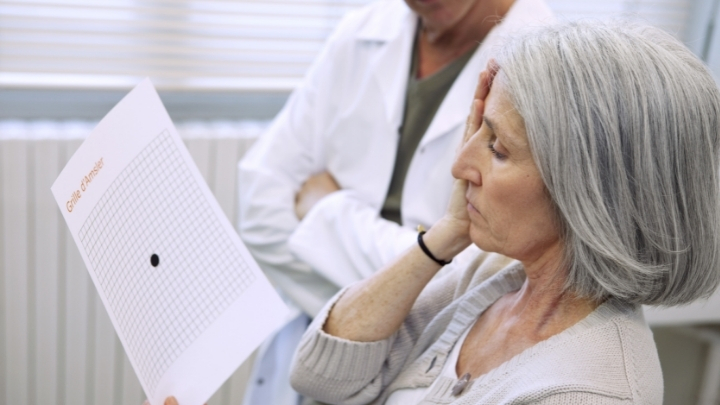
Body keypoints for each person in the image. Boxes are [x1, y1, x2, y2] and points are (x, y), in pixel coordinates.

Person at [289, 21, 720, 404]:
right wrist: (448, 232)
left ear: (587, 192)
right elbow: (321, 375)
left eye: (496, 147)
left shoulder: (587, 392)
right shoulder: (492, 274)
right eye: (478, 131)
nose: (460, 166)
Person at [237, 0, 553, 403]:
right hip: (314, 364)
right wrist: (410, 287)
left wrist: (326, 211)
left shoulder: (548, 71)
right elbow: (259, 213)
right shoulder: (359, 34)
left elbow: (492, 280)